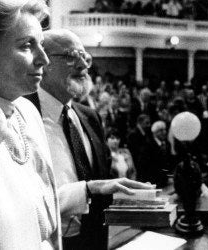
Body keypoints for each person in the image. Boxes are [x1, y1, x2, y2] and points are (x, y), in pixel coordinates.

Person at [0, 0, 148, 249]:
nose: (44, 59)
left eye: (41, 44)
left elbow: (33, 206)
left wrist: (89, 189)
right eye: (27, 45)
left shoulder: (27, 111)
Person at [38, 29, 152, 250]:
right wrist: (88, 189)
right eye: (71, 56)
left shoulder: (90, 117)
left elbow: (104, 183)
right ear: (42, 62)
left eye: (85, 57)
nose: (83, 65)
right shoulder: (21, 117)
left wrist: (140, 202)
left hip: (94, 241)